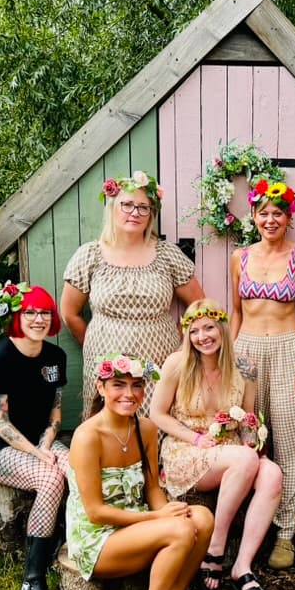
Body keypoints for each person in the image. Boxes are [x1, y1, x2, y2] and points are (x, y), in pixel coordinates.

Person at [66, 354, 214, 590]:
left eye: (136, 386)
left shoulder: (145, 429)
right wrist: (158, 517)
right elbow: (95, 512)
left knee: (200, 517)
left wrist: (168, 510)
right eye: (118, 385)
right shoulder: (87, 436)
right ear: (101, 387)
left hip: (137, 527)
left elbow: (151, 489)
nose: (129, 394)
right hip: (98, 538)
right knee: (179, 529)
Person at [151, 299, 282, 590]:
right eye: (193, 330)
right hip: (188, 446)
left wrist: (254, 445)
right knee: (245, 461)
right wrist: (196, 437)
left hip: (233, 450)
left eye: (209, 327)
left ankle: (242, 566)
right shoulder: (176, 364)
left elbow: (249, 417)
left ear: (222, 327)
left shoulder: (244, 366)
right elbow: (157, 414)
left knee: (272, 473)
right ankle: (215, 546)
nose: (202, 336)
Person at [61, 171, 203, 417]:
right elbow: (70, 314)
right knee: (109, 430)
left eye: (143, 207)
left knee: (155, 425)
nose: (134, 213)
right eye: (127, 205)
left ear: (151, 215)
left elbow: (199, 306)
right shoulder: (90, 255)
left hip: (158, 360)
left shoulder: (167, 255)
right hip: (107, 360)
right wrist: (97, 344)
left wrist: (181, 350)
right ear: (113, 208)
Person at [229, 177, 295, 570]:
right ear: (253, 216)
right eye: (263, 213)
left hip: (285, 349)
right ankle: (248, 527)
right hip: (246, 350)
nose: (270, 219)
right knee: (246, 437)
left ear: (288, 217)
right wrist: (228, 362)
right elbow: (235, 312)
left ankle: (285, 533)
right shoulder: (240, 257)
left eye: (277, 213)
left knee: (289, 438)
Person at [0, 283, 70, 590]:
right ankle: (32, 587)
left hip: (38, 441)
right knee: (49, 478)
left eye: (44, 312)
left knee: (74, 467)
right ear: (17, 316)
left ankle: (75, 549)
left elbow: (55, 410)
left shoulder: (55, 357)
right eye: (30, 312)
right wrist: (37, 454)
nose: (38, 319)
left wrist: (48, 443)